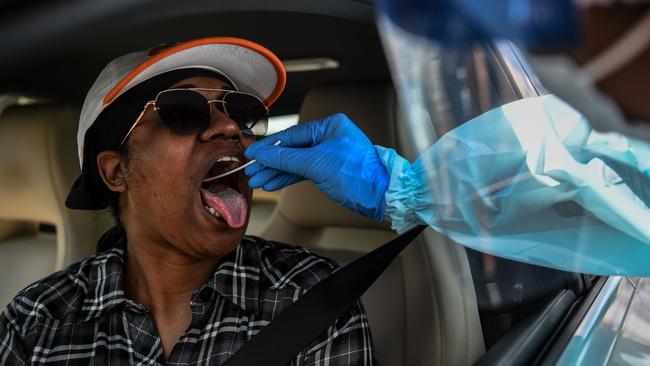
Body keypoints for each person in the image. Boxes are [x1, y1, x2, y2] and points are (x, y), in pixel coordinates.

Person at [0, 37, 375, 365]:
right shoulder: (37, 320)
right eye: (183, 112)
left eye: (240, 113)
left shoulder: (311, 296)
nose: (230, 127)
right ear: (116, 172)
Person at [244, 1, 650, 276]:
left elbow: (574, 161)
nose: (553, 65)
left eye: (544, 25)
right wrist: (397, 189)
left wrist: (401, 189)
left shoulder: (293, 288)